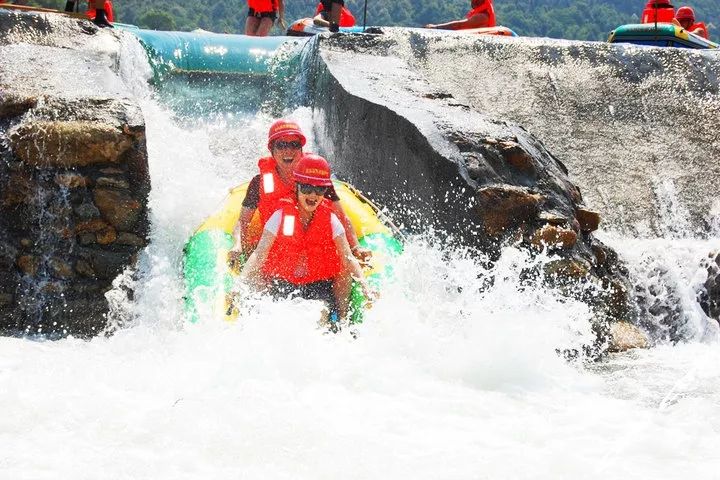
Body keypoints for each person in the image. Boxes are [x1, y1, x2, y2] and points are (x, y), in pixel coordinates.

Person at [239, 153, 373, 322]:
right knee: (274, 312)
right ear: (297, 188)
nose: (313, 195)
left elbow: (348, 259)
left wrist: (366, 288)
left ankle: (341, 321)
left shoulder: (330, 220)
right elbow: (259, 254)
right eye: (307, 188)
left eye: (319, 189)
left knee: (320, 313)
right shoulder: (280, 215)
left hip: (317, 284)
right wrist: (239, 285)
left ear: (325, 191)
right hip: (284, 282)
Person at [228, 119, 370, 268]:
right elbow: (243, 221)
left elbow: (341, 217)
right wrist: (237, 245)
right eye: (281, 145)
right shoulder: (259, 183)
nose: (288, 150)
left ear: (301, 149)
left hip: (315, 255)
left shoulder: (318, 180)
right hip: (277, 254)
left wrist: (355, 247)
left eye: (294, 145)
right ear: (272, 150)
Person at [425, 0, 496, 30]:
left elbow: (459, 25)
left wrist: (436, 27)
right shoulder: (482, 14)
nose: (472, 1)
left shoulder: (482, 17)